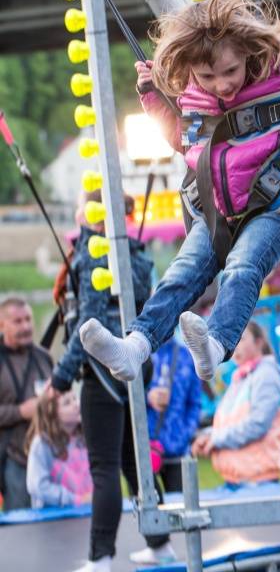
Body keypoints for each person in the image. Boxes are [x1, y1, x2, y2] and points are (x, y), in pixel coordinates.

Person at [80, 0, 280, 386]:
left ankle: (215, 345)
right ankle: (134, 345)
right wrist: (153, 98)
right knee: (181, 273)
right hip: (213, 212)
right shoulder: (194, 99)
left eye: (230, 70)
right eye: (208, 75)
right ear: (191, 69)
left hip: (272, 209)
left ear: (248, 53)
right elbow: (183, 140)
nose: (222, 84)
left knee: (243, 267)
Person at [49, 190, 175, 572]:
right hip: (135, 365)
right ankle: (159, 542)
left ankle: (101, 556)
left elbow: (88, 328)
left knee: (104, 466)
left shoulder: (94, 255)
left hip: (101, 372)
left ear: (93, 216)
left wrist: (60, 377)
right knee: (132, 462)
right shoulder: (137, 256)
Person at [192, 321, 280, 486]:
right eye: (233, 339)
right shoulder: (241, 377)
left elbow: (257, 425)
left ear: (259, 343)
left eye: (241, 339)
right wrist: (208, 435)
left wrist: (216, 439)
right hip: (236, 479)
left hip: (258, 482)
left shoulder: (265, 375)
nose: (235, 345)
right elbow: (231, 422)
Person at [0, 296, 53, 511]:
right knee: (19, 529)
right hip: (13, 458)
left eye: (28, 319)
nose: (26, 326)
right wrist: (21, 411)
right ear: (2, 325)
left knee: (57, 526)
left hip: (49, 456)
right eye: (18, 321)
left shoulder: (44, 358)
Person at [146, 335, 201, 493]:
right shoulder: (140, 353)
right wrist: (148, 396)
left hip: (178, 451)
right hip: (145, 449)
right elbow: (126, 396)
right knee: (146, 509)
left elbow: (194, 403)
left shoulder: (187, 356)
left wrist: (185, 434)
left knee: (181, 507)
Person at [25, 390, 92, 508]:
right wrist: (76, 500)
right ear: (52, 413)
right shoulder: (42, 444)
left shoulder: (84, 438)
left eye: (75, 399)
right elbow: (37, 486)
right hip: (56, 520)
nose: (76, 404)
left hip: (88, 513)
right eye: (67, 403)